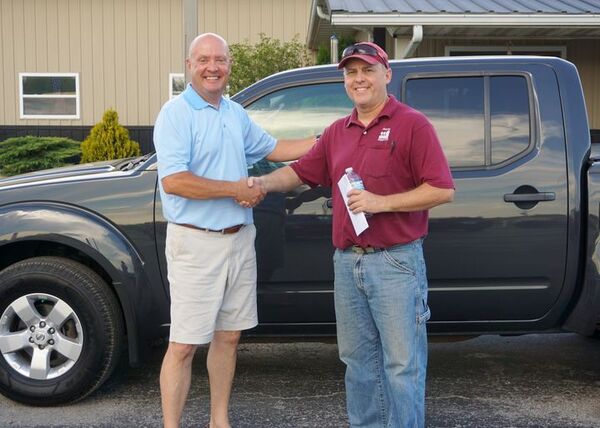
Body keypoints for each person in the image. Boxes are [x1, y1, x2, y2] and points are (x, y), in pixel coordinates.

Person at [252, 42, 455, 427]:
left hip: (395, 262)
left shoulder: (413, 125)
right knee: (358, 363)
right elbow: (299, 172)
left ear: (386, 74)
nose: (359, 79)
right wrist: (261, 184)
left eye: (367, 70)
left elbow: (442, 189)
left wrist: (381, 203)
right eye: (351, 72)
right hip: (347, 263)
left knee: (402, 366)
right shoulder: (336, 132)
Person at [153, 33, 317, 428]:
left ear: (229, 65)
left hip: (239, 240)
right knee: (184, 344)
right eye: (204, 60)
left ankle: (219, 420)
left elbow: (273, 149)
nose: (213, 67)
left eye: (220, 60)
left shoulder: (233, 112)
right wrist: (235, 189)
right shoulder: (175, 114)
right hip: (196, 243)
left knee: (228, 337)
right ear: (190, 65)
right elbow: (174, 181)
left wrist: (325, 140)